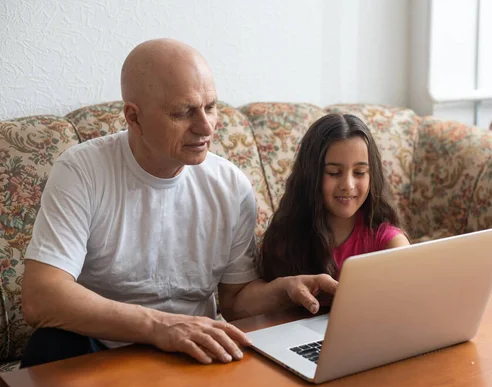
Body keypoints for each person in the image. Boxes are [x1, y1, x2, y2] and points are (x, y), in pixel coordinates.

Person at [20, 38, 337, 368]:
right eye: (183, 112)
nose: (205, 127)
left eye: (211, 107)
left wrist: (286, 290)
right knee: (50, 344)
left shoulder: (230, 186)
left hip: (193, 353)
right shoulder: (82, 171)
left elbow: (236, 301)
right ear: (134, 117)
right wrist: (160, 326)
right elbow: (41, 297)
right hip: (103, 352)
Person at [259, 113, 410, 282]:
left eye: (359, 172)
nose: (348, 185)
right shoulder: (286, 239)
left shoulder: (388, 242)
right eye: (334, 173)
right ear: (310, 175)